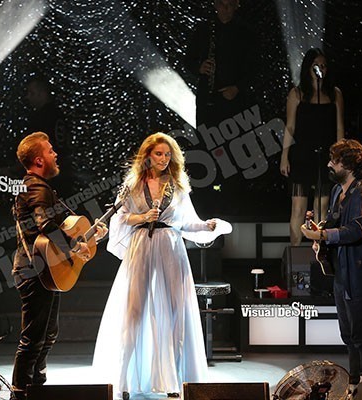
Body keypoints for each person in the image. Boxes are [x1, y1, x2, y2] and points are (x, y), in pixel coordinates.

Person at [92, 132, 232, 399]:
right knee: (133, 311)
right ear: (147, 155)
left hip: (170, 248)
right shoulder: (132, 186)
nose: (164, 158)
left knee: (175, 311)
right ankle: (123, 381)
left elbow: (185, 222)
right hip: (141, 248)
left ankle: (172, 382)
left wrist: (206, 226)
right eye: (159, 153)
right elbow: (120, 219)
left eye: (168, 154)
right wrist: (143, 216)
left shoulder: (178, 186)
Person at [10, 132, 107, 400]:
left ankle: (36, 388)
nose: (56, 154)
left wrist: (91, 236)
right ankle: (21, 393)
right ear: (39, 160)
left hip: (43, 269)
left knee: (46, 334)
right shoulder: (36, 188)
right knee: (34, 338)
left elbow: (65, 225)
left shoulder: (39, 187)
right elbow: (46, 225)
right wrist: (74, 247)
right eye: (50, 151)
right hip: (35, 269)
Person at [301, 139, 362, 397]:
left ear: (349, 166)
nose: (330, 164)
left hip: (361, 274)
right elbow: (334, 223)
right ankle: (353, 383)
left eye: (335, 161)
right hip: (343, 272)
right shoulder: (338, 191)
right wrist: (319, 234)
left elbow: (355, 230)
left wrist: (322, 236)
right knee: (349, 334)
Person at [280, 48, 345, 245]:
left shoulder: (334, 94)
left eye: (323, 66)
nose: (320, 70)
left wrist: (340, 156)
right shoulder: (297, 94)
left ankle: (319, 251)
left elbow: (339, 127)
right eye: (316, 66)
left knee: (322, 207)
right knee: (298, 207)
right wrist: (284, 156)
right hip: (302, 154)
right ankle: (295, 251)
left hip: (326, 155)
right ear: (308, 69)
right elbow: (290, 126)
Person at [185, 0, 257, 129]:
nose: (225, 8)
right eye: (222, 4)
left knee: (236, 139)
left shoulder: (246, 32)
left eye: (229, 5)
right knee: (206, 138)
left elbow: (255, 67)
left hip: (235, 100)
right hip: (207, 99)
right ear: (216, 5)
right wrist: (199, 67)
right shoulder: (204, 29)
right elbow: (188, 60)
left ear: (236, 6)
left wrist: (237, 88)